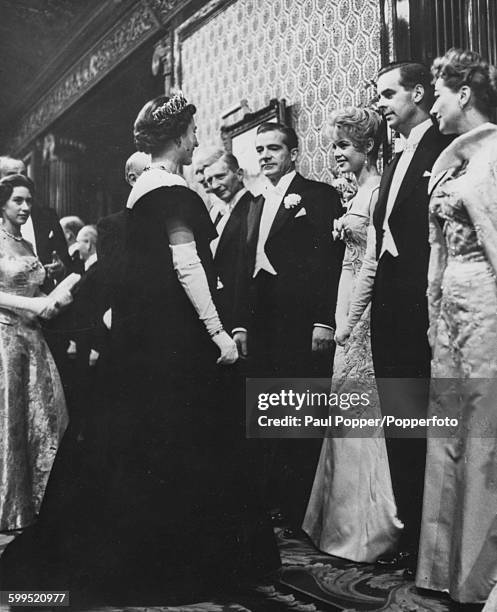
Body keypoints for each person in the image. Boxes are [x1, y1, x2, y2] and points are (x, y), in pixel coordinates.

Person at [0, 92, 280, 605]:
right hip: (175, 341)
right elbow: (188, 266)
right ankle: (178, 560)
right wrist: (219, 334)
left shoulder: (142, 190)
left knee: (139, 446)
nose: (198, 139)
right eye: (194, 131)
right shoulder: (172, 190)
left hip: (144, 340)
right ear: (177, 137)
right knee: (183, 443)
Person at [232, 122, 344, 533]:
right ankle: (274, 503)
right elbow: (245, 268)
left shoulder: (317, 196)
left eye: (274, 148)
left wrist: (323, 320)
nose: (265, 156)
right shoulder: (254, 203)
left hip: (301, 324)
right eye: (259, 149)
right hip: (262, 327)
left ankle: (300, 509)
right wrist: (241, 324)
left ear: (293, 154)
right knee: (268, 413)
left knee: (301, 413)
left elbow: (328, 263)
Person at [416, 48, 497, 605]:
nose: (433, 105)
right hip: (449, 308)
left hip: (488, 304)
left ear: (462, 93)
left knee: (486, 431)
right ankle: (444, 569)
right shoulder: (451, 156)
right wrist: (431, 309)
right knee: (449, 429)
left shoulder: (494, 153)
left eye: (439, 94)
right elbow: (435, 247)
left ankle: (481, 576)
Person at [367, 62, 453, 575]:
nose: (381, 103)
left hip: (426, 308)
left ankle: (435, 545)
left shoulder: (442, 146)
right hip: (390, 312)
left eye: (388, 93)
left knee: (431, 421)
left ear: (418, 93)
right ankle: (411, 538)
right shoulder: (393, 156)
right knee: (399, 422)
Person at [303, 107, 400, 562]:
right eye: (335, 144)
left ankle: (368, 527)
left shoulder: (379, 191)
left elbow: (373, 264)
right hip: (345, 306)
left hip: (363, 315)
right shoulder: (355, 192)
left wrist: (349, 319)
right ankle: (337, 522)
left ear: (367, 147)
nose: (336, 153)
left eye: (344, 145)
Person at [0, 174, 69, 531]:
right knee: (10, 419)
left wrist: (52, 299)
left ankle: (39, 503)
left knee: (45, 416)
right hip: (6, 340)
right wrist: (35, 305)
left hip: (34, 338)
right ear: (3, 203)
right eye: (18, 202)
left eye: (29, 201)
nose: (26, 208)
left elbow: (37, 289)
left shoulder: (26, 244)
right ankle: (9, 506)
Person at [204, 152, 253, 328]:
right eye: (209, 181)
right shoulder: (215, 212)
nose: (214, 185)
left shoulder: (253, 207)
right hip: (220, 307)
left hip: (242, 308)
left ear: (239, 174)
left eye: (220, 176)